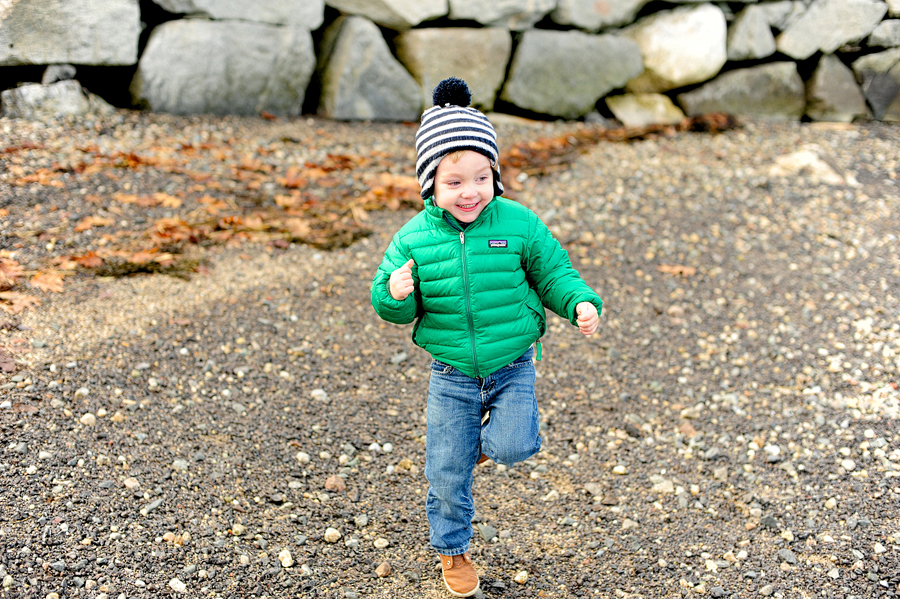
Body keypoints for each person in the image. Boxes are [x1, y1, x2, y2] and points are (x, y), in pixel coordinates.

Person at [370, 77, 602, 597]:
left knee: (515, 446)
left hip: (512, 364)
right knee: (446, 473)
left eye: (481, 178)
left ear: (496, 175)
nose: (470, 191)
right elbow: (388, 306)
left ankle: (485, 444)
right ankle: (453, 552)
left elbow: (554, 272)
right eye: (454, 182)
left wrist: (580, 303)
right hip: (450, 373)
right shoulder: (412, 237)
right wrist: (395, 291)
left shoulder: (518, 223)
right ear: (430, 184)